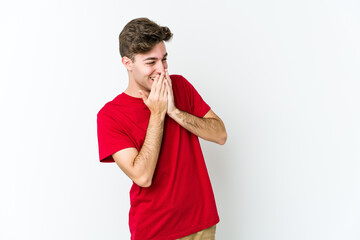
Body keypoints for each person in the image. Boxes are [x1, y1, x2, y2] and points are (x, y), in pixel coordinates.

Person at [96, 17, 227, 240]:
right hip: (155, 231)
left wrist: (174, 112)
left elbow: (220, 135)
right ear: (128, 63)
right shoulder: (110, 116)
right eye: (151, 62)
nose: (161, 69)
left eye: (163, 59)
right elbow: (143, 176)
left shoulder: (180, 86)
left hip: (201, 224)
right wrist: (157, 113)